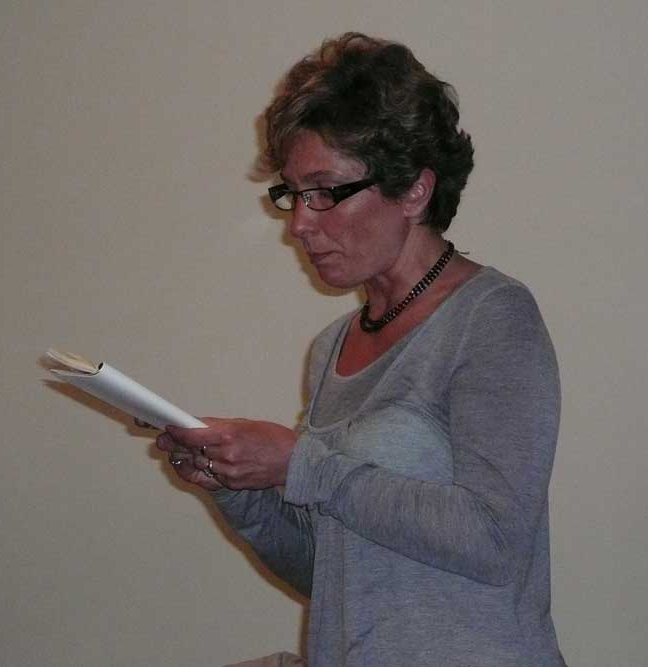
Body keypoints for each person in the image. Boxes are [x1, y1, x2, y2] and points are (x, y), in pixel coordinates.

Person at [156, 32, 566, 667]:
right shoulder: (332, 348)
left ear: (414, 191)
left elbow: (494, 542)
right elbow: (331, 573)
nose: (300, 223)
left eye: (325, 191)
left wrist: (300, 464)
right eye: (294, 194)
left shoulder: (492, 318)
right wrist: (237, 487)